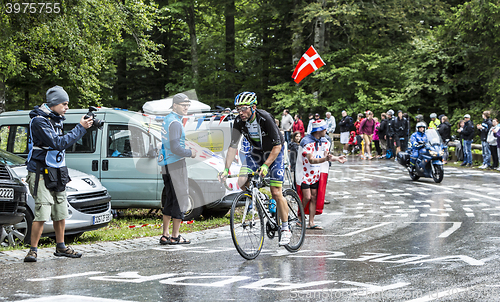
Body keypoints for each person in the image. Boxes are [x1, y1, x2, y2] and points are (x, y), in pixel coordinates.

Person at [24, 86, 94, 262]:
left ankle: (61, 246)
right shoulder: (39, 121)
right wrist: (81, 127)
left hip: (58, 170)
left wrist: (86, 127)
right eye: (64, 104)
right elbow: (58, 143)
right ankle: (33, 250)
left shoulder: (56, 119)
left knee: (60, 210)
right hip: (40, 171)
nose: (67, 108)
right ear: (54, 104)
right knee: (42, 210)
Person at [218, 91, 292, 246]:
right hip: (257, 152)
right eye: (238, 108)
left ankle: (285, 228)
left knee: (276, 191)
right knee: (242, 182)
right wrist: (226, 169)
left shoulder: (265, 118)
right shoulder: (239, 121)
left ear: (253, 107)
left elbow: (278, 145)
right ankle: (262, 200)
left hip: (274, 151)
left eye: (244, 108)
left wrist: (266, 166)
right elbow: (232, 146)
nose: (240, 112)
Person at [158, 93, 197, 245]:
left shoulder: (167, 119)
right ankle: (175, 236)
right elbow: (175, 148)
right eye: (183, 105)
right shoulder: (175, 122)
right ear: (175, 105)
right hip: (176, 164)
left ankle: (165, 234)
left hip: (166, 164)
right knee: (180, 200)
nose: (186, 107)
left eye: (188, 105)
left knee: (169, 198)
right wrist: (190, 152)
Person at [296, 120, 346, 229]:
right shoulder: (306, 142)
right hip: (304, 174)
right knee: (307, 197)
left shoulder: (324, 141)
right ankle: (300, 217)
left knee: (314, 197)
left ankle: (311, 222)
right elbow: (311, 160)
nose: (326, 131)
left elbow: (327, 156)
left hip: (316, 174)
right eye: (324, 129)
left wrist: (337, 158)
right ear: (319, 130)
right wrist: (325, 159)